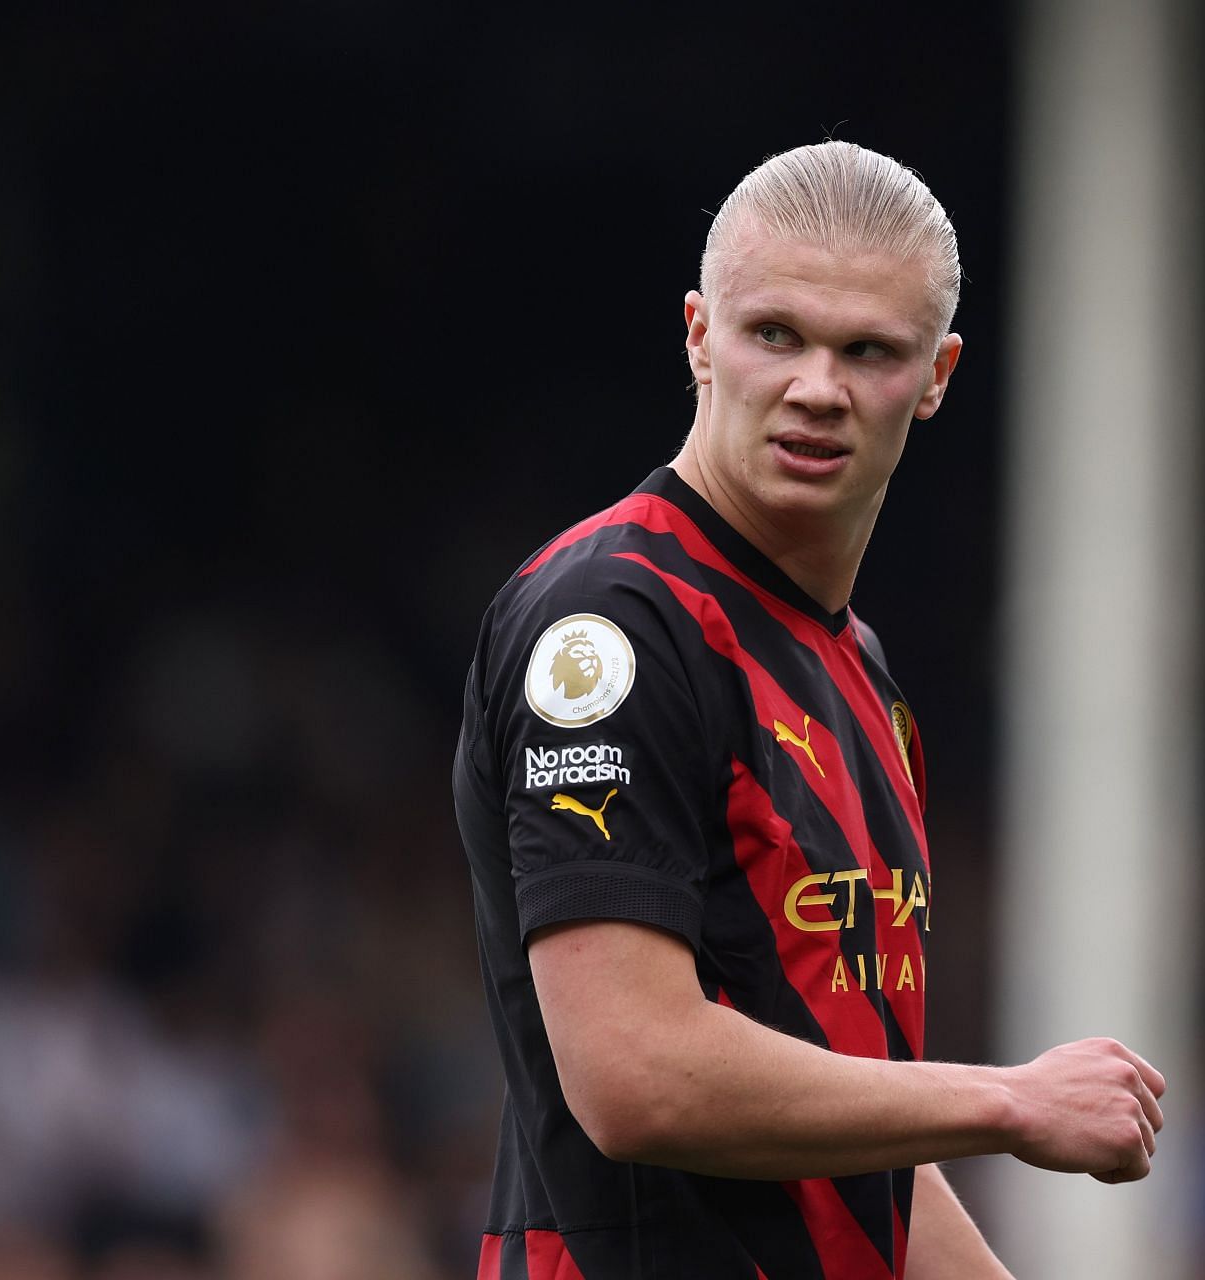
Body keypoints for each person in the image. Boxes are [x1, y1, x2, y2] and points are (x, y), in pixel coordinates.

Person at [452, 140, 1166, 1280]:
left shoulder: (860, 672)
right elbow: (637, 1074)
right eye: (774, 333)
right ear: (698, 336)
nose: (817, 387)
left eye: (869, 350)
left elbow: (848, 1110)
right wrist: (1009, 1101)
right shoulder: (614, 626)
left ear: (936, 376)